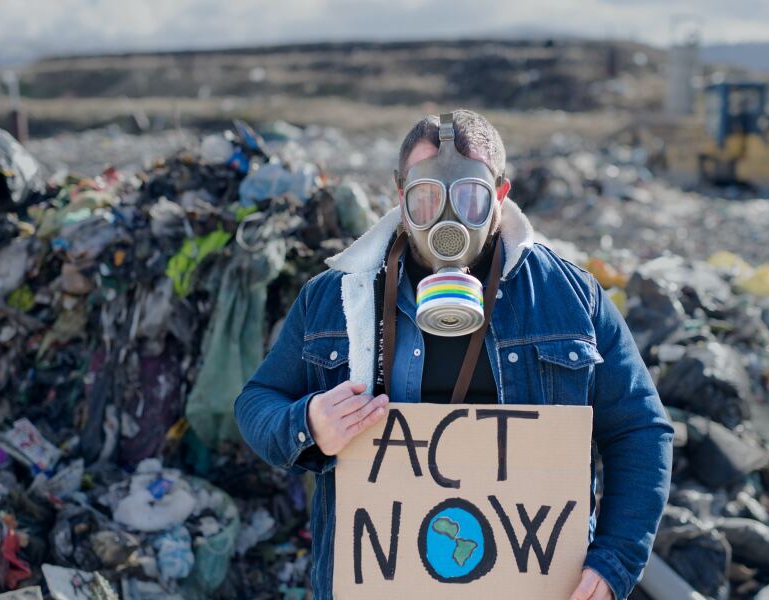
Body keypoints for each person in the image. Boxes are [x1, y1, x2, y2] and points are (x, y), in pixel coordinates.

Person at [235, 109, 673, 600]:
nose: (448, 222)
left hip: (531, 585)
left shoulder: (569, 299)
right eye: (426, 199)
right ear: (400, 198)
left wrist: (613, 560)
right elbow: (256, 403)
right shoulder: (334, 299)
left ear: (501, 197)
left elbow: (640, 430)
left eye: (470, 197)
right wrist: (309, 423)